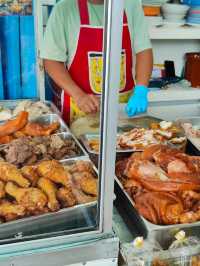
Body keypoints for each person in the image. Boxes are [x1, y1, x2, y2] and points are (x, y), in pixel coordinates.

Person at [41, 0, 153, 124]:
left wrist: (141, 90)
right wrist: (79, 95)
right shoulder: (64, 9)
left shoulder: (130, 4)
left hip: (124, 108)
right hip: (80, 109)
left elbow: (144, 50)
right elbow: (51, 60)